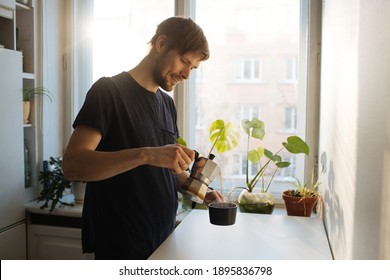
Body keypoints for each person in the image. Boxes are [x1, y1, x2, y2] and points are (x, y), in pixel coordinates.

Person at [62, 16, 224, 260]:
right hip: (121, 244)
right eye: (184, 61)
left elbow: (168, 170)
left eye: (193, 67)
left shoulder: (167, 105)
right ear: (160, 44)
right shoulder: (108, 92)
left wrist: (202, 191)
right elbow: (73, 166)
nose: (187, 74)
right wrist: (146, 154)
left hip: (163, 237)